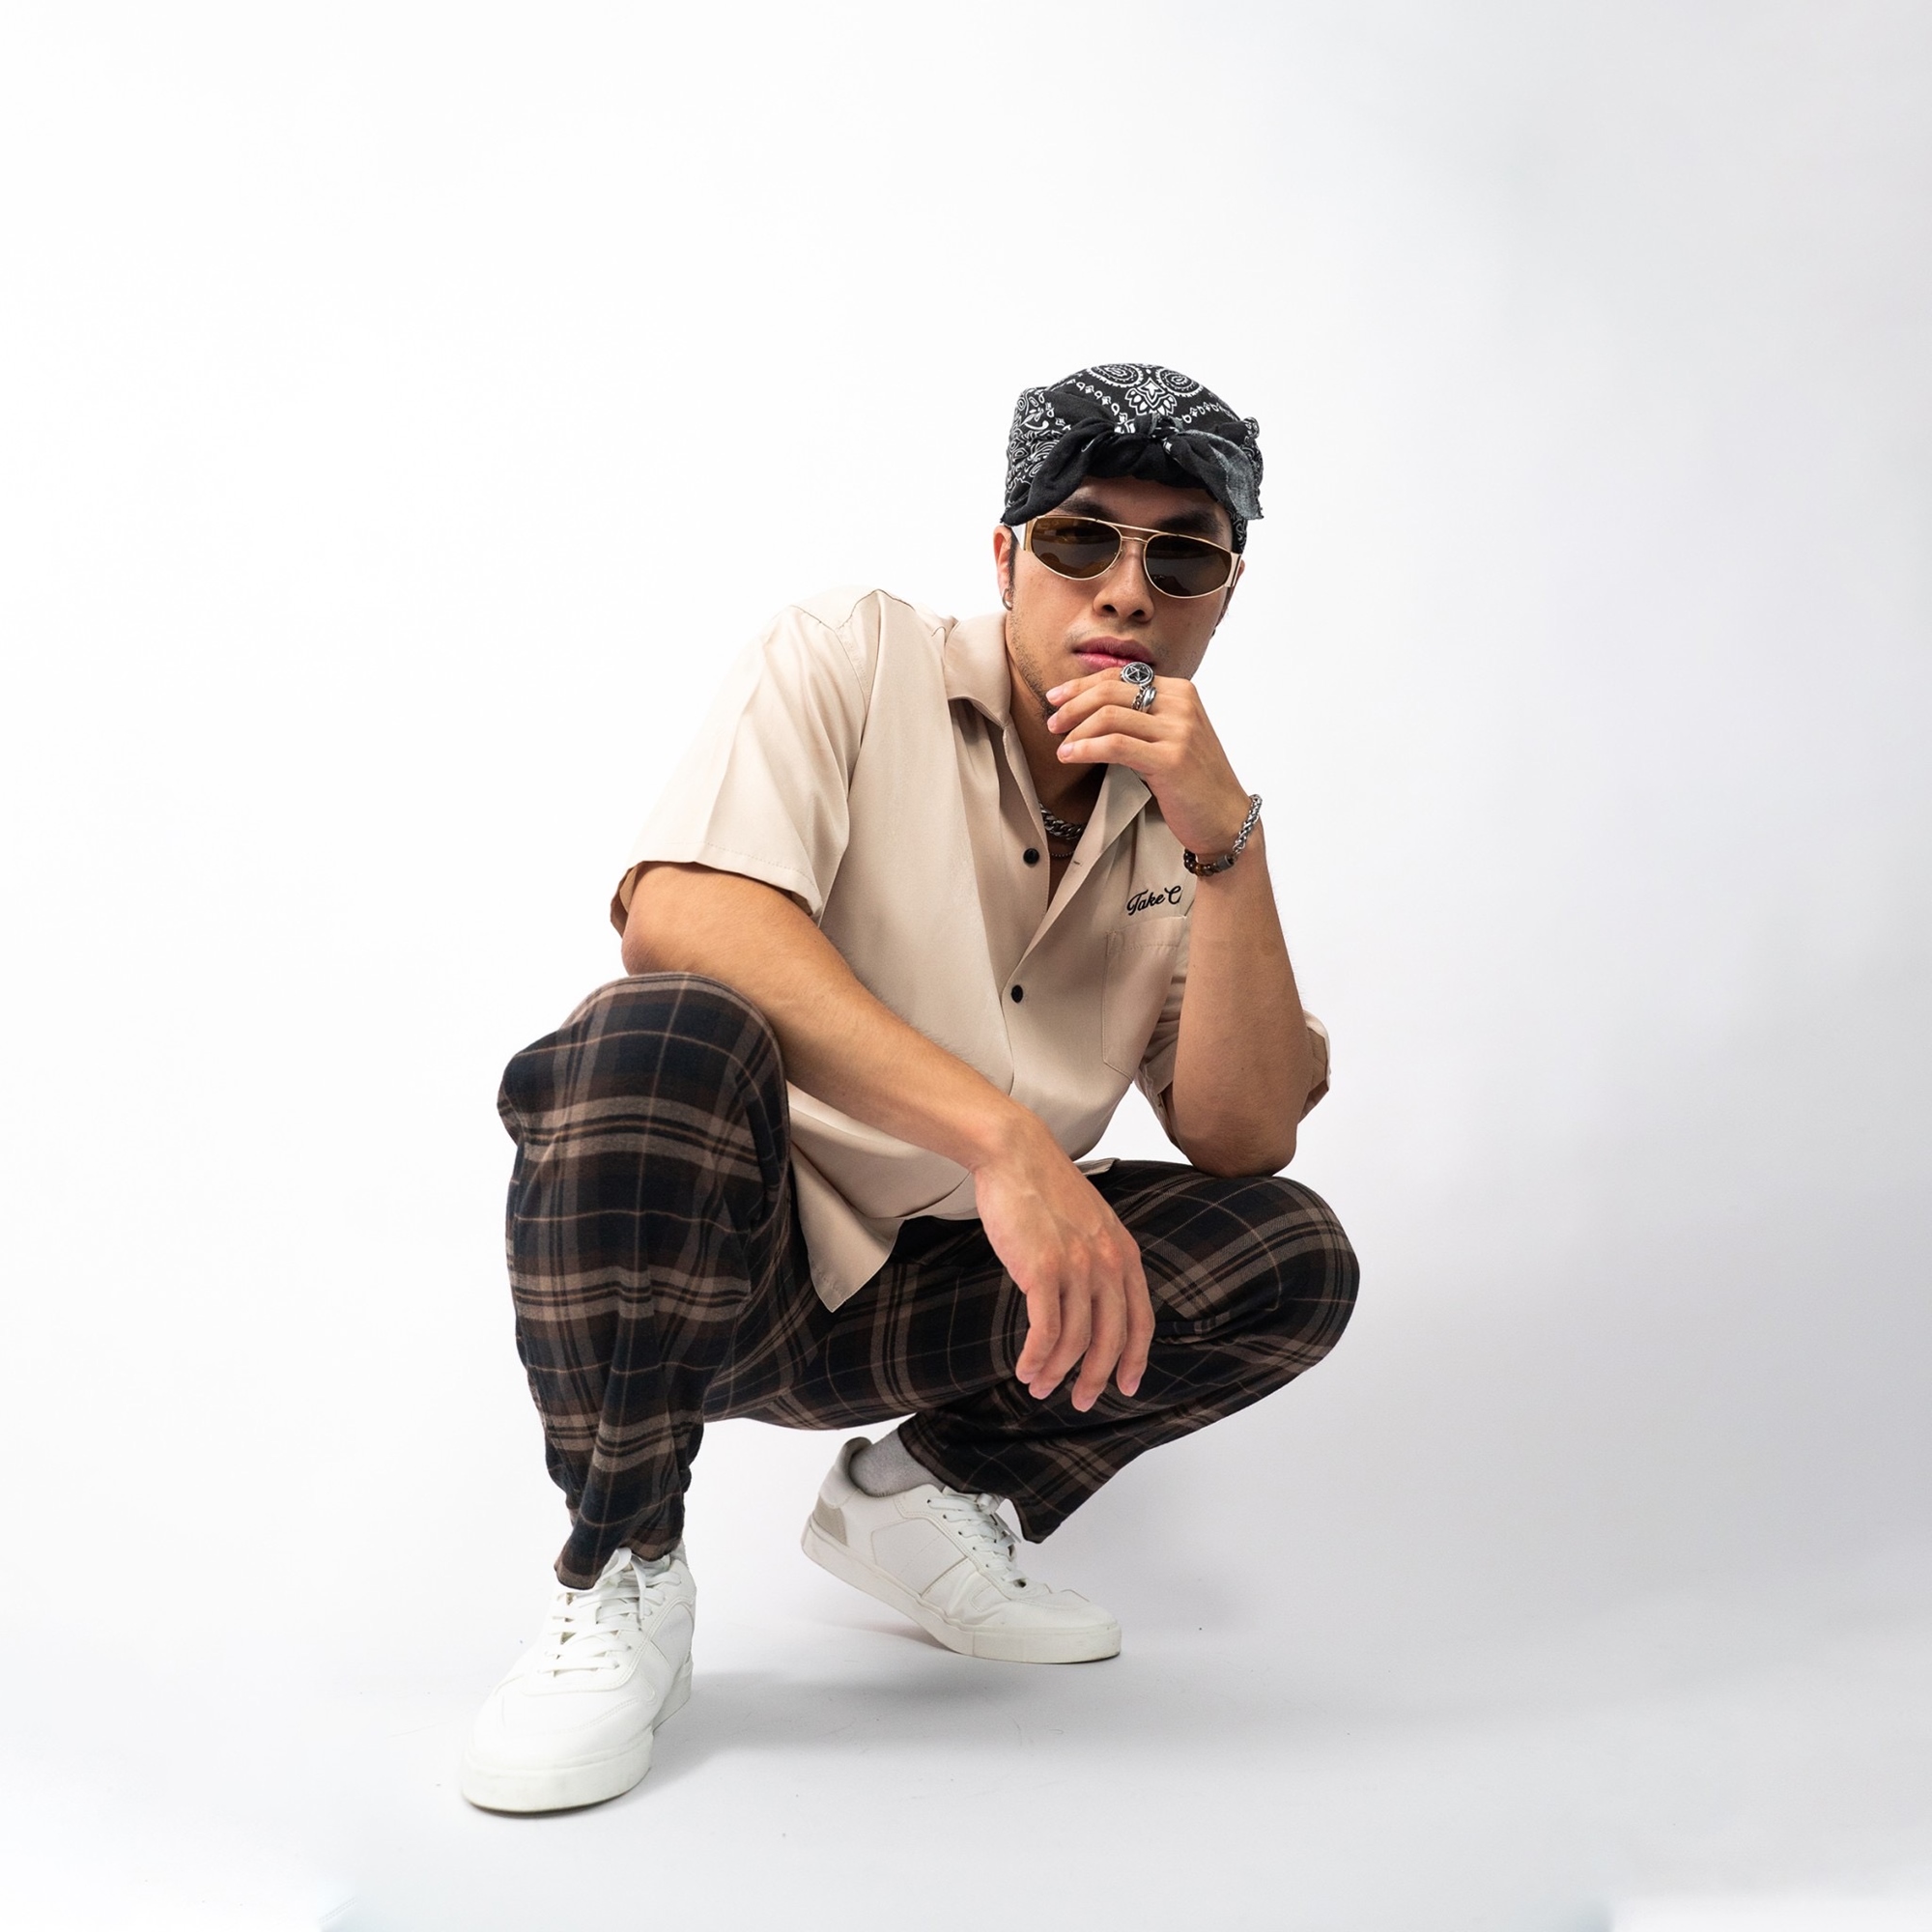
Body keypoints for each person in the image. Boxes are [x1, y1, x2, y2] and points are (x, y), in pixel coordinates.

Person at [460, 363, 1359, 1813]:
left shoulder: (1178, 817)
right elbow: (680, 911)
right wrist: (1002, 1139)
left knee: (1286, 1257)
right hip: (711, 1266)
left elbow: (1243, 1132)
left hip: (929, 1305)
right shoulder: (850, 656)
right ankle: (622, 1572)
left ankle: (920, 1501)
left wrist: (1226, 842)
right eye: (1080, 537)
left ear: (1223, 594)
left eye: (1181, 557)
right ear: (1006, 557)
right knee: (658, 1036)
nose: (1126, 591)